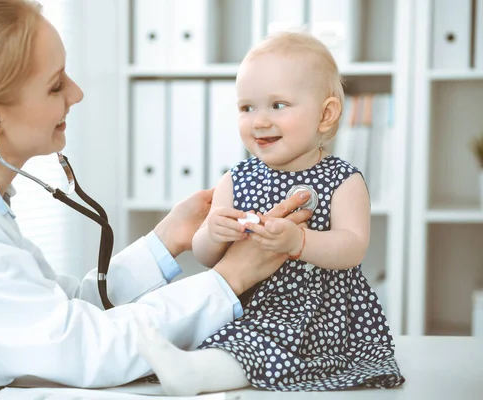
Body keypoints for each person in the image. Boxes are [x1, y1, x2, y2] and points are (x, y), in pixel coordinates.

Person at [0, 1, 314, 399]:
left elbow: (60, 308)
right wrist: (230, 278)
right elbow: (81, 348)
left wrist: (165, 241)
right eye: (55, 86)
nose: (77, 93)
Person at [137, 31, 405, 395]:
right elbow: (206, 257)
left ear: (326, 114)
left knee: (258, 345)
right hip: (244, 303)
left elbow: (352, 248)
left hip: (315, 313)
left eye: (278, 105)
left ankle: (196, 375)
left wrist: (300, 241)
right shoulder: (235, 179)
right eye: (247, 107)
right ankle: (190, 364)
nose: (259, 121)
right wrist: (212, 234)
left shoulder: (343, 180)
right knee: (227, 335)